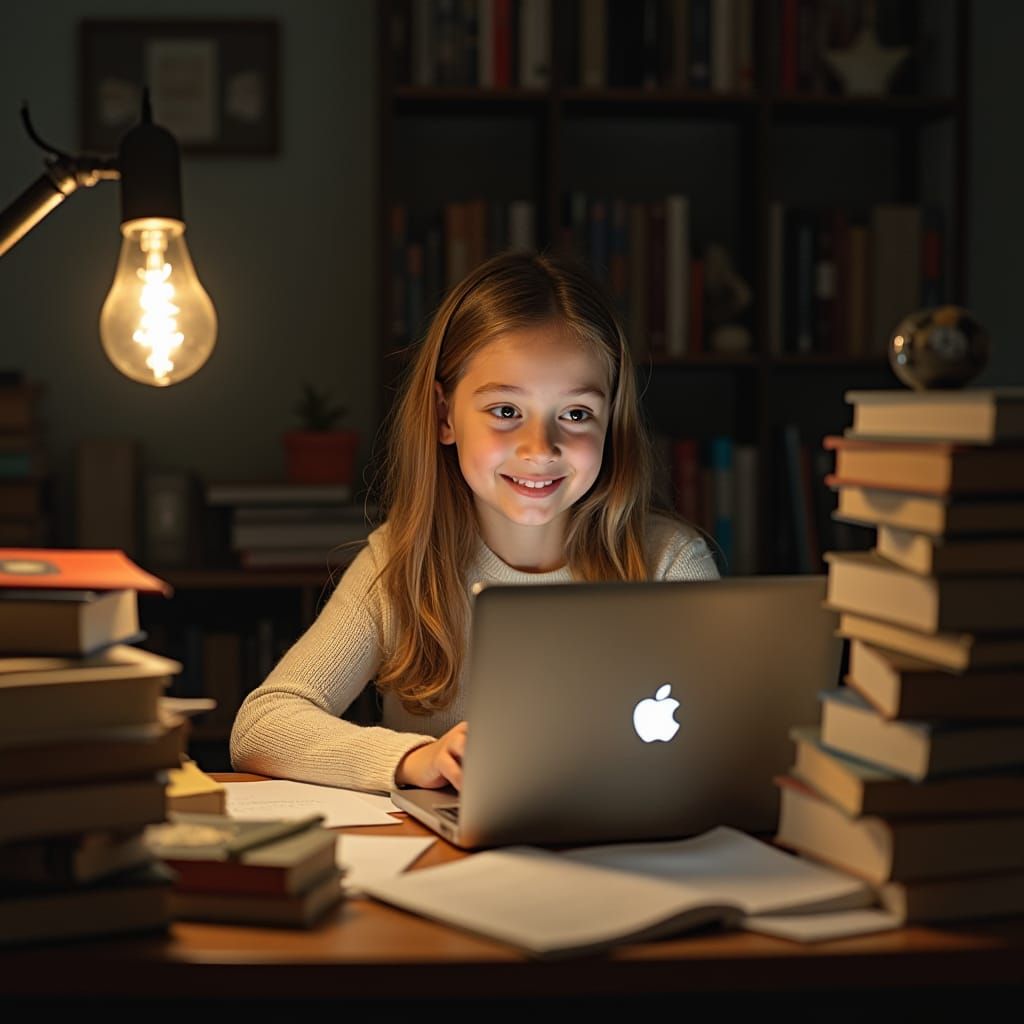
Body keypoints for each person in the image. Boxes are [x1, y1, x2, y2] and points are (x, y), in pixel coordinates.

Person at [230, 251, 719, 795]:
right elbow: (263, 725)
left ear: (612, 422)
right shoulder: (400, 565)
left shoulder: (669, 562)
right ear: (445, 416)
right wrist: (418, 758)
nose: (540, 448)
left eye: (576, 414)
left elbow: (730, 738)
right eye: (506, 411)